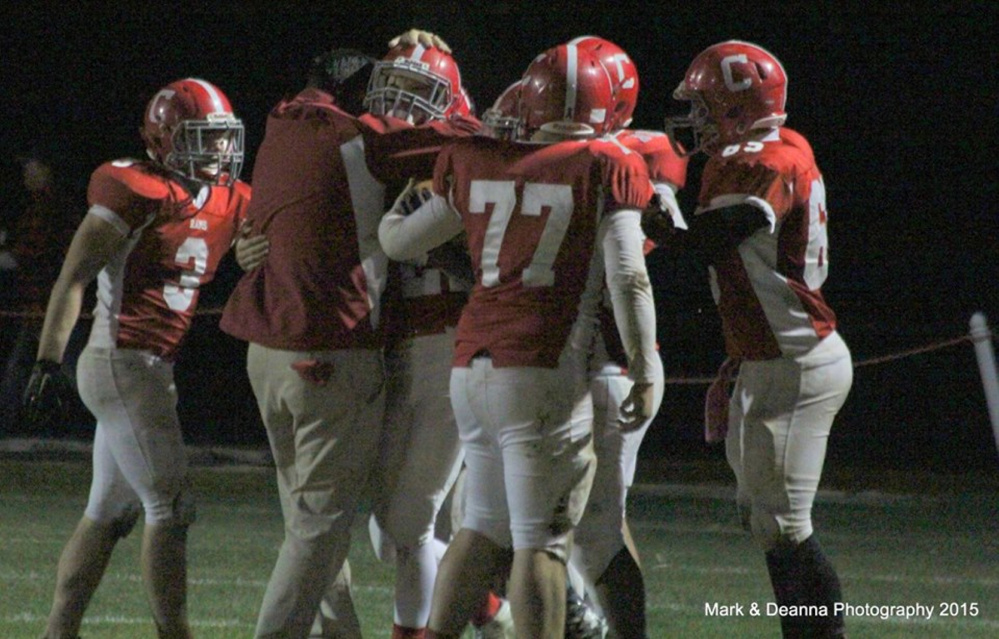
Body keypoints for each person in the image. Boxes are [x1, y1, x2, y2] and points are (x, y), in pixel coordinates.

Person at [378, 42, 659, 639]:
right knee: (543, 542)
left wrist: (388, 221)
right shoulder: (606, 162)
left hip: (472, 365)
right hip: (545, 367)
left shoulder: (478, 159)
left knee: (481, 527)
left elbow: (401, 242)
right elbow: (629, 276)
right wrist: (646, 361)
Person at [22, 77, 250, 639]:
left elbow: (271, 237)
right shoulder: (136, 189)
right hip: (120, 359)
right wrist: (47, 360)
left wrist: (256, 247)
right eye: (204, 137)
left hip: (151, 368)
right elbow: (73, 277)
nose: (219, 150)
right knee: (171, 507)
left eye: (223, 137)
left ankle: (58, 631)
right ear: (165, 138)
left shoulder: (230, 198)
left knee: (109, 514)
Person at [665, 40, 852, 638]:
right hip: (766, 360)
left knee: (784, 524)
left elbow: (709, 238)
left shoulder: (758, 162)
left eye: (704, 105)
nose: (695, 119)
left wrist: (648, 208)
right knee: (763, 519)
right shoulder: (784, 144)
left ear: (737, 108)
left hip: (795, 362)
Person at [218, 48, 388, 639]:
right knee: (320, 525)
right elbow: (377, 239)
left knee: (307, 520)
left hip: (266, 352)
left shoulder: (277, 127)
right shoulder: (353, 138)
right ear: (356, 95)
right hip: (325, 348)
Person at [560, 35, 690, 639]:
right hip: (568, 358)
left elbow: (642, 252)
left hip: (607, 357)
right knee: (544, 519)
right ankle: (576, 615)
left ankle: (588, 621)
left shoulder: (630, 160)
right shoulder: (591, 155)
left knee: (593, 526)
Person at [0, 147, 82, 432]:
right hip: (38, 307)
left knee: (74, 371)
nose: (25, 174)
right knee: (22, 369)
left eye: (31, 167)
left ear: (47, 171)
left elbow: (25, 254)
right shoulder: (40, 206)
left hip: (55, 307)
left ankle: (111, 424)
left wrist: (7, 253)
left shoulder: (50, 207)